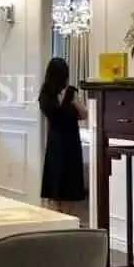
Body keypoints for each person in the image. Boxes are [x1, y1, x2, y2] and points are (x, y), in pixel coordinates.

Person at [39, 57, 87, 214]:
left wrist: (73, 100)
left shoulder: (72, 92)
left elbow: (83, 114)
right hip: (57, 143)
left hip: (71, 142)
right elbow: (53, 114)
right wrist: (64, 99)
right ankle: (58, 216)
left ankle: (66, 217)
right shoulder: (46, 94)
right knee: (56, 185)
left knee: (69, 188)